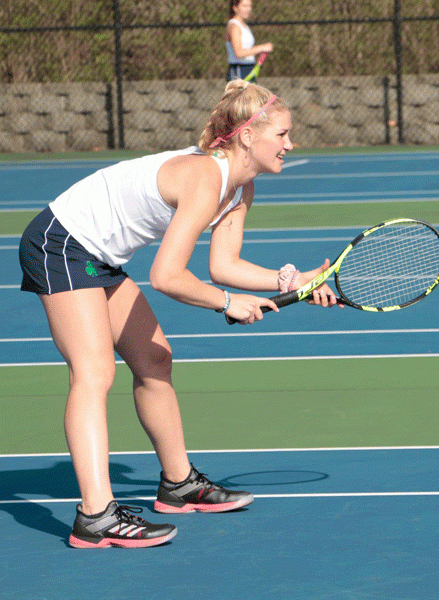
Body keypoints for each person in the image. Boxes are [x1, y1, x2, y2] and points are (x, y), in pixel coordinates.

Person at [18, 79, 338, 549]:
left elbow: (223, 265)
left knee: (155, 361)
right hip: (61, 244)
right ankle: (95, 515)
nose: (291, 144)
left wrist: (292, 281)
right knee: (94, 372)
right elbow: (168, 276)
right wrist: (227, 303)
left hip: (99, 255)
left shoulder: (240, 189)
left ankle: (179, 484)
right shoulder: (205, 177)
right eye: (283, 134)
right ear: (248, 135)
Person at [227, 0, 273, 82]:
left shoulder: (245, 26)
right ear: (235, 8)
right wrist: (262, 47)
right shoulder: (234, 26)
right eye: (245, 6)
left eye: (250, 6)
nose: (248, 9)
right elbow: (239, 53)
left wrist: (259, 51)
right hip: (238, 70)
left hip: (249, 68)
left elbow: (248, 51)